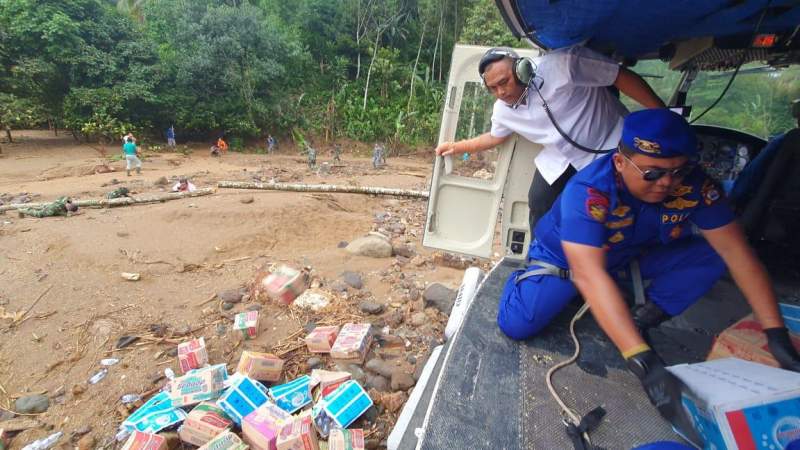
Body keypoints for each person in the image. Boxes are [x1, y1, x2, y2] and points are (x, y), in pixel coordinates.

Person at [497, 109, 800, 428]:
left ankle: (642, 318)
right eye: (653, 173)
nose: (667, 183)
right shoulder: (590, 192)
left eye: (678, 172)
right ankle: (525, 279)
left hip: (630, 256)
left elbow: (738, 253)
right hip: (569, 259)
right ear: (620, 163)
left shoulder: (695, 186)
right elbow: (589, 272)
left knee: (713, 254)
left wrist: (776, 334)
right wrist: (642, 359)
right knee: (518, 324)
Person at [435, 46, 665, 236]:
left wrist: (664, 116)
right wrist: (456, 147)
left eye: (504, 82)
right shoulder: (503, 110)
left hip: (606, 147)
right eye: (493, 88)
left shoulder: (564, 64)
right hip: (561, 157)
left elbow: (618, 76)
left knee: (604, 211)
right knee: (538, 201)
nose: (501, 92)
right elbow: (495, 136)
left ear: (521, 70)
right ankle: (540, 260)